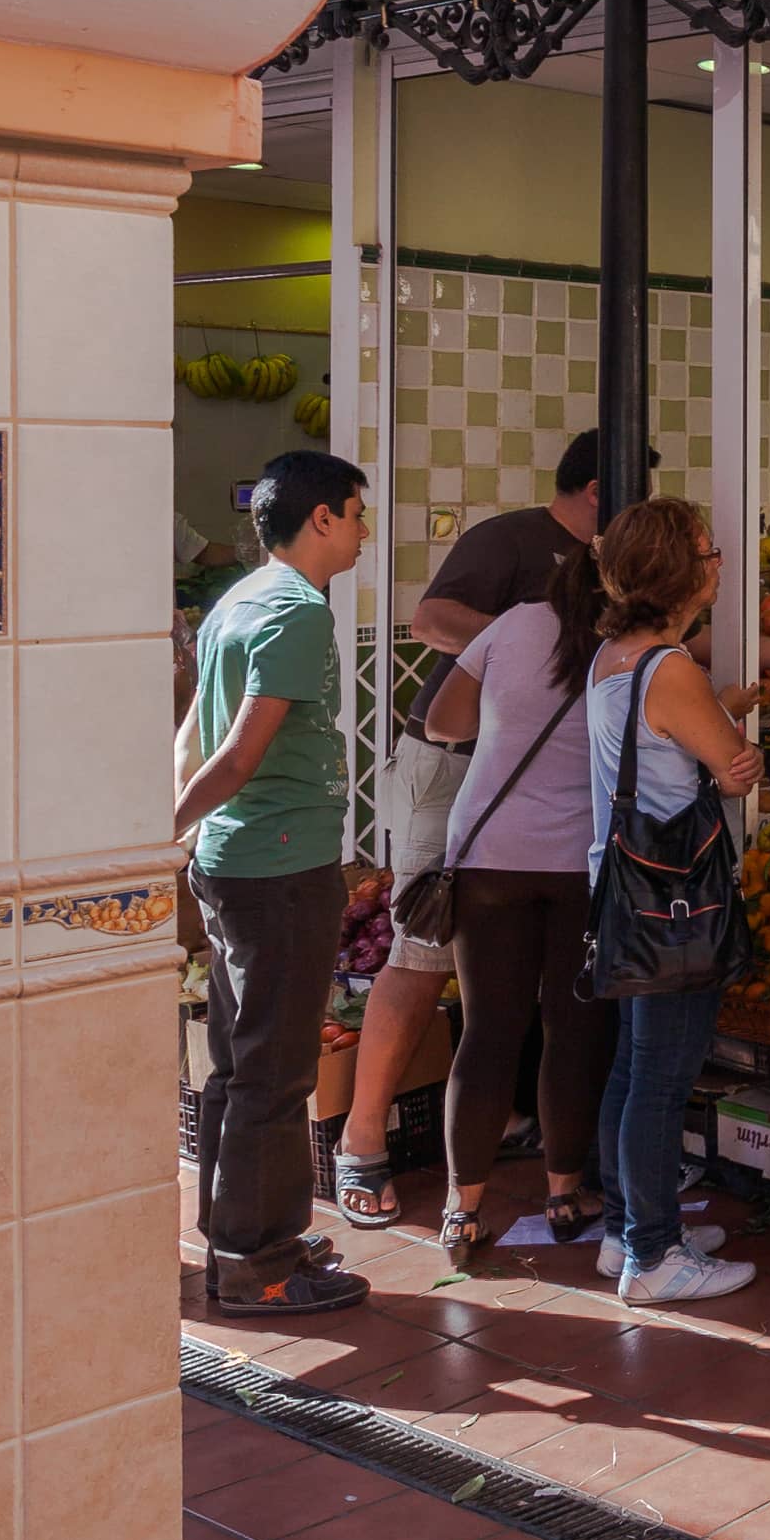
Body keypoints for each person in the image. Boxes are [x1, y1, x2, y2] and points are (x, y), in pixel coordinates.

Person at [331, 432, 641, 1227]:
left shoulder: (611, 575)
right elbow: (429, 618)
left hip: (523, 801)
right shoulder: (509, 540)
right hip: (459, 776)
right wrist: (522, 647)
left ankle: (504, 1155)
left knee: (515, 1004)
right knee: (422, 953)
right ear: (601, 489)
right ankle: (362, 1143)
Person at [176, 450, 374, 1317]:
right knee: (275, 1071)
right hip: (279, 864)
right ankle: (260, 1263)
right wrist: (168, 820)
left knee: (237, 1064)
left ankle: (237, 1241)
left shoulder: (238, 601)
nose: (366, 528)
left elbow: (193, 729)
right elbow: (240, 751)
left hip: (234, 862)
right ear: (321, 518)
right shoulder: (294, 611)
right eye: (358, 512)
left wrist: (182, 826)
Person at [585, 497, 763, 1307]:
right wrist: (741, 742)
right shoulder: (671, 666)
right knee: (662, 1074)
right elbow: (731, 768)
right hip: (674, 900)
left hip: (621, 888)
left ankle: (626, 1227)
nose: (720, 562)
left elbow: (656, 746)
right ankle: (654, 1257)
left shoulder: (614, 657)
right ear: (684, 574)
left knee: (632, 1064)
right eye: (710, 551)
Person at [419, 542, 615, 1271]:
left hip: (489, 855)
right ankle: (565, 1194)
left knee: (488, 1033)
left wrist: (510, 721)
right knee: (573, 1030)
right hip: (579, 864)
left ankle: (460, 1211)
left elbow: (441, 723)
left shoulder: (510, 626)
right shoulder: (627, 645)